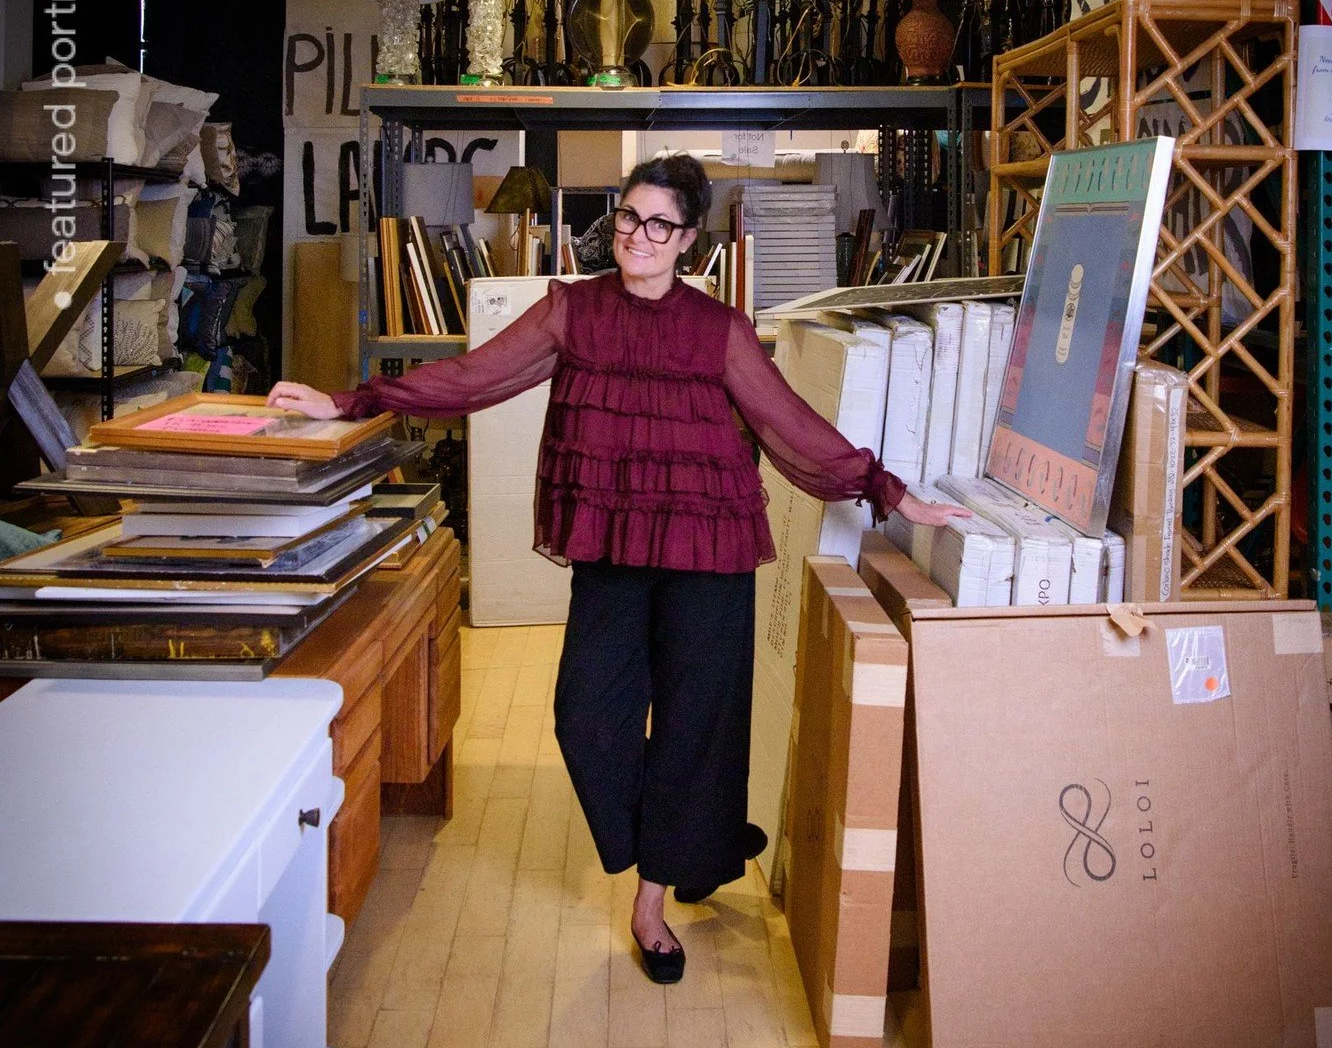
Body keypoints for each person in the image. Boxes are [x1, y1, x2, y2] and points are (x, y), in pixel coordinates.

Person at [268, 153, 966, 984]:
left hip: (707, 548)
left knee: (692, 726)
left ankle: (653, 897)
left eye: (660, 224)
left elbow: (789, 426)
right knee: (586, 720)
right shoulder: (574, 311)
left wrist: (887, 489)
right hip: (614, 549)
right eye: (630, 218)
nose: (639, 236)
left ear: (688, 241)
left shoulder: (719, 330)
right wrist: (351, 401)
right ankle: (696, 840)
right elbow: (473, 378)